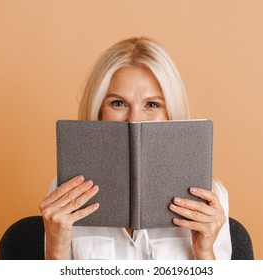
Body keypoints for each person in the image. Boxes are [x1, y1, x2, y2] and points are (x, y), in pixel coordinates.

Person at [39, 37, 231, 260]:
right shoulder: (67, 191)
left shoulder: (209, 195)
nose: (134, 120)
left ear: (171, 113)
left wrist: (204, 251)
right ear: (99, 110)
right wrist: (55, 247)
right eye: (118, 103)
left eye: (152, 104)